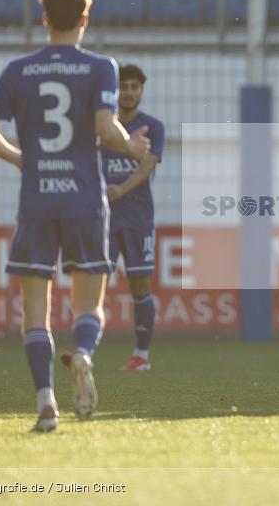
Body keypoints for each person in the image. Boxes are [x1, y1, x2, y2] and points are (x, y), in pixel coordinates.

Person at [0, 0, 150, 432]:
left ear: (45, 19)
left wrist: (20, 158)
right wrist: (133, 149)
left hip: (37, 201)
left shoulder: (18, 70)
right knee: (89, 306)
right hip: (85, 200)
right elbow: (107, 130)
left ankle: (46, 404)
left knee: (35, 310)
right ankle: (84, 355)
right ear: (85, 20)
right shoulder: (100, 68)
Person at [100, 64, 165, 371]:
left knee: (139, 285)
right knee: (95, 281)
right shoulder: (104, 127)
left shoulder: (154, 127)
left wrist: (120, 189)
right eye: (123, 87)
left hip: (138, 219)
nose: (127, 92)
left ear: (141, 90)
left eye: (133, 87)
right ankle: (85, 350)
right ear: (116, 91)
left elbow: (147, 166)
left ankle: (142, 355)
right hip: (103, 218)